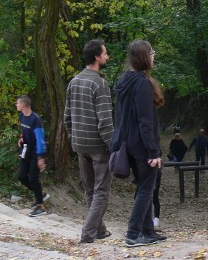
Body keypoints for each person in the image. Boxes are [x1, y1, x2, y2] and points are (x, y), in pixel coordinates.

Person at [111, 40, 166, 248]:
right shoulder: (141, 84)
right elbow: (145, 121)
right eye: (151, 52)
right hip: (141, 145)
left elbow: (121, 117)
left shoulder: (124, 81)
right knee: (146, 188)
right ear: (144, 56)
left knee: (145, 186)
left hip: (126, 143)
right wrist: (153, 151)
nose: (154, 56)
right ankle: (133, 234)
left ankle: (148, 232)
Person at [64, 38, 114, 244]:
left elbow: (67, 117)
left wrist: (73, 139)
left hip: (79, 145)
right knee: (101, 192)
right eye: (105, 53)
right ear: (96, 57)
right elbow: (105, 121)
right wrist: (113, 146)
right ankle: (88, 233)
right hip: (98, 146)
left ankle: (100, 230)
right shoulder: (100, 83)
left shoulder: (73, 82)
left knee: (91, 190)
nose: (107, 56)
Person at [16, 95, 48, 217]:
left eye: (18, 103)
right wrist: (21, 138)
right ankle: (41, 195)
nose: (16, 105)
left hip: (35, 152)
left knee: (33, 178)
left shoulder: (36, 119)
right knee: (21, 176)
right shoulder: (22, 116)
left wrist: (40, 157)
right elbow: (24, 131)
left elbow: (40, 139)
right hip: (26, 150)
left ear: (23, 105)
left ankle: (41, 207)